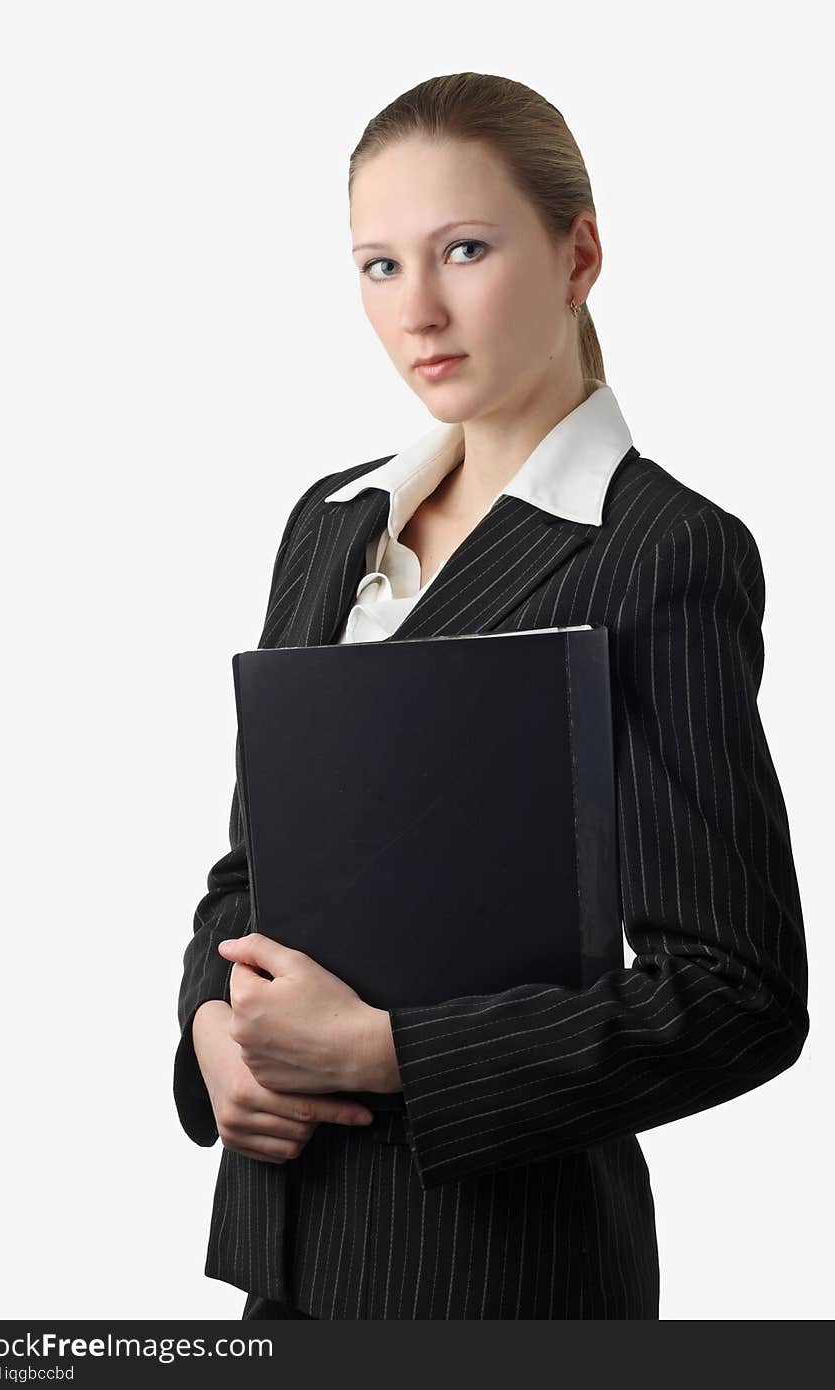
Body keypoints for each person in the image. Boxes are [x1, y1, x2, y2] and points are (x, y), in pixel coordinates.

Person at [173, 72, 809, 1320]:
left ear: (579, 254)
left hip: (498, 1278)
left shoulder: (658, 550)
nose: (419, 309)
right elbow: (255, 870)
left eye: (464, 249)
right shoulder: (330, 524)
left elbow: (735, 994)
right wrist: (210, 1030)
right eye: (378, 265)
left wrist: (387, 1052)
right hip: (285, 1257)